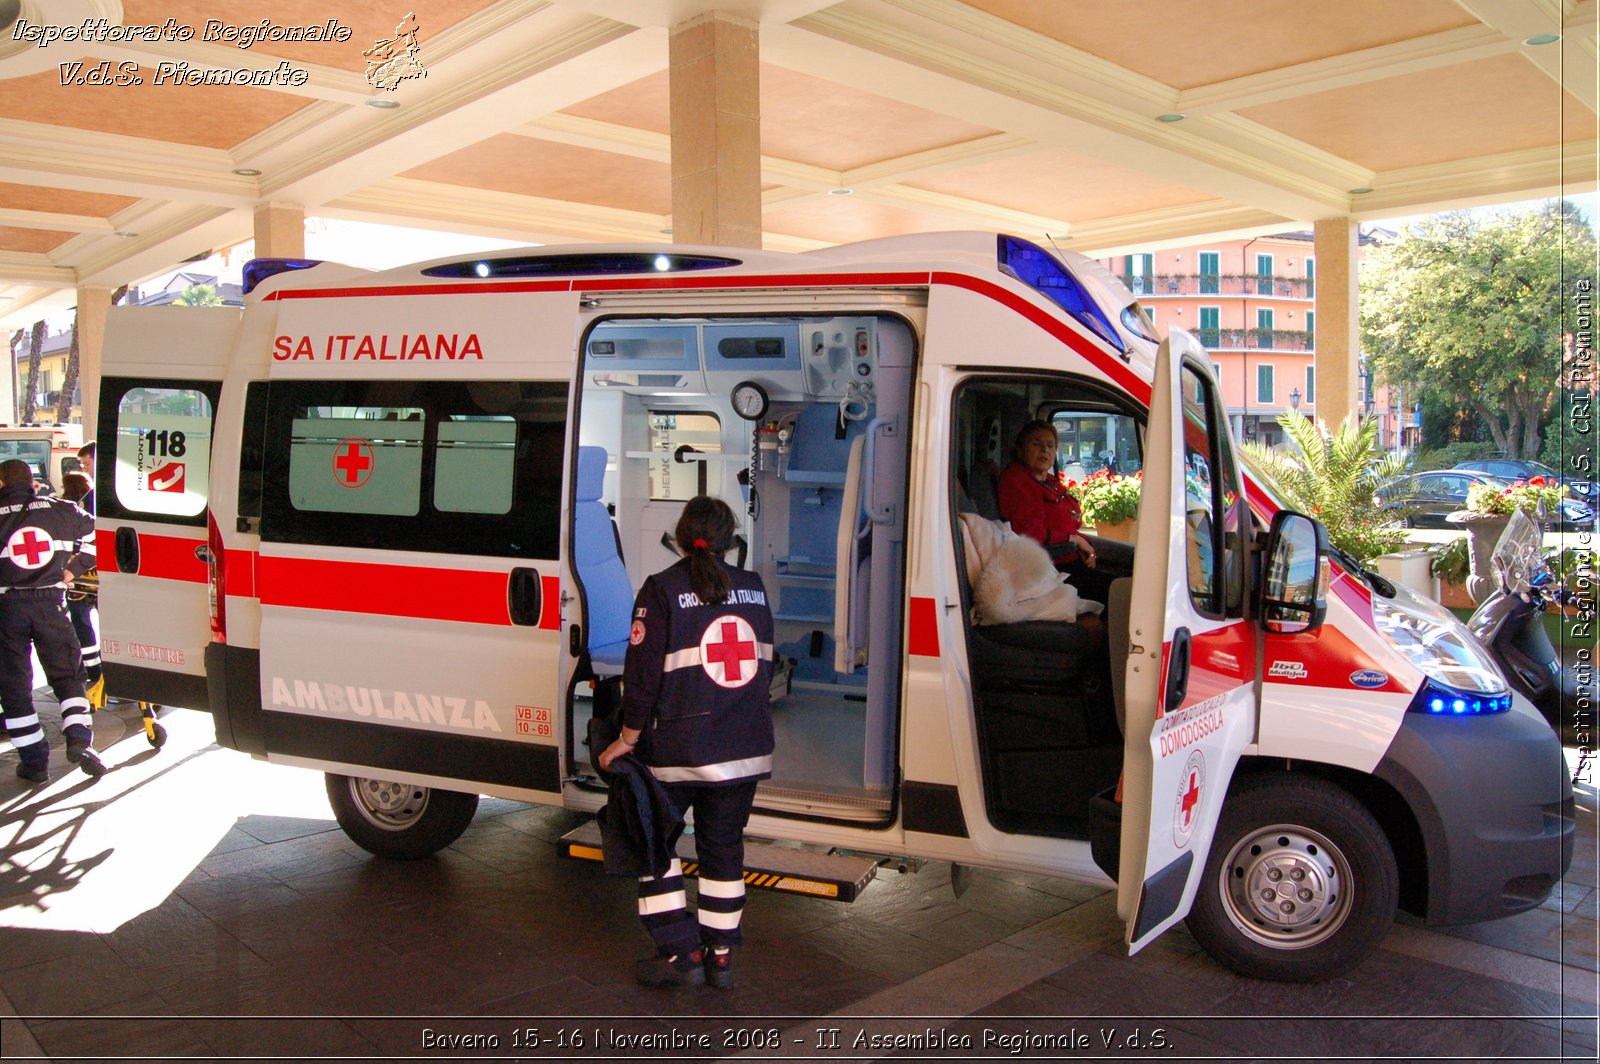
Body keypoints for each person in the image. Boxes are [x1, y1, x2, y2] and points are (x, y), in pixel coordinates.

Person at [597, 495, 775, 990]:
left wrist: (625, 740)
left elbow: (643, 677)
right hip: (743, 747)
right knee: (723, 847)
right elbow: (765, 667)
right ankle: (721, 958)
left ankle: (679, 954)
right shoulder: (755, 589)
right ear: (729, 538)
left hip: (678, 751)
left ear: (680, 536)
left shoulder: (661, 591)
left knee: (654, 843)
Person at [0, 458, 103, 782]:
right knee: (68, 675)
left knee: (15, 686)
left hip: (8, 608)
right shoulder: (63, 509)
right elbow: (101, 536)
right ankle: (79, 739)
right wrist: (72, 570)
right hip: (51, 604)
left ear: (2, 484)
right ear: (32, 482)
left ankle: (34, 762)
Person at [996, 419, 1112, 603]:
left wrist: (1084, 544)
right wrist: (1074, 540)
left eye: (1050, 445)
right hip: (1050, 569)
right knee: (1118, 590)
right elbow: (1030, 533)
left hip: (1069, 558)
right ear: (1020, 449)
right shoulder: (1017, 481)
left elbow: (1067, 521)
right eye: (1036, 444)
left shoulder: (1047, 480)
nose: (1044, 450)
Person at [60, 471, 103, 707]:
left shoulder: (67, 509)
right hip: (94, 578)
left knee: (81, 624)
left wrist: (70, 571)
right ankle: (105, 671)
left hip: (78, 581)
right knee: (105, 625)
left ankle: (94, 671)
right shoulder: (82, 508)